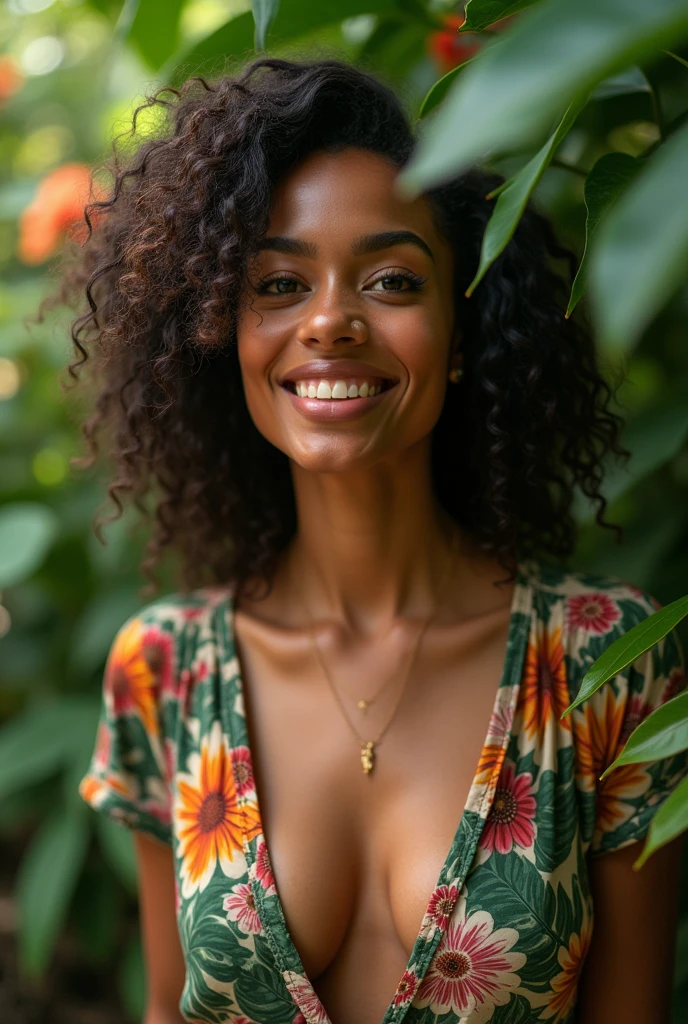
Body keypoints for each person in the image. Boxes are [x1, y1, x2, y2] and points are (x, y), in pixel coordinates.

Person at [57, 58, 687, 1024]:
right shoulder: (164, 669)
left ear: (464, 326)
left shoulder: (609, 664)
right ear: (222, 331)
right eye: (277, 282)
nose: (331, 321)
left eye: (392, 279)